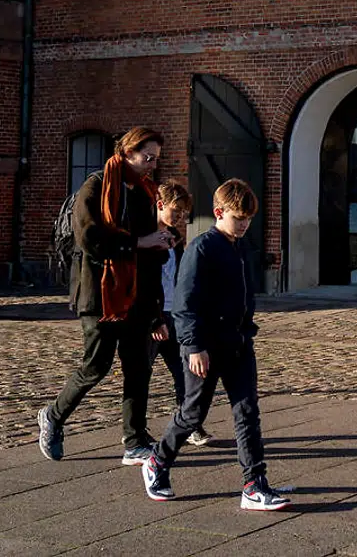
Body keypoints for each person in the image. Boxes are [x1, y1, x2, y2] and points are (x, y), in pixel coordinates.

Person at [141, 179, 293, 511]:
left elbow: (244, 296)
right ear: (218, 212)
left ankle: (254, 484)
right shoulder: (202, 248)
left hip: (238, 345)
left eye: (248, 219)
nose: (244, 224)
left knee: (247, 412)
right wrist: (193, 346)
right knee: (193, 413)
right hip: (205, 348)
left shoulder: (241, 248)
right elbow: (185, 303)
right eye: (239, 218)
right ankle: (158, 461)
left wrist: (247, 329)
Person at [38, 127, 172, 465]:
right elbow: (90, 238)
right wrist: (138, 243)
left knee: (138, 367)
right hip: (99, 294)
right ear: (127, 152)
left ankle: (135, 441)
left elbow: (150, 250)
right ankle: (53, 415)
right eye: (147, 158)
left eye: (156, 158)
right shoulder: (96, 186)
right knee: (95, 366)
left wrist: (160, 250)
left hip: (136, 296)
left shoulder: (144, 193)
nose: (152, 165)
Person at [146, 180, 212, 447]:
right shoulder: (146, 238)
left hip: (175, 314)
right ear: (160, 206)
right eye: (176, 211)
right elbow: (144, 283)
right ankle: (136, 433)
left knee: (184, 373)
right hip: (153, 317)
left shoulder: (175, 239)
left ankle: (190, 425)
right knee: (142, 376)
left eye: (184, 213)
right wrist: (154, 318)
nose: (181, 218)